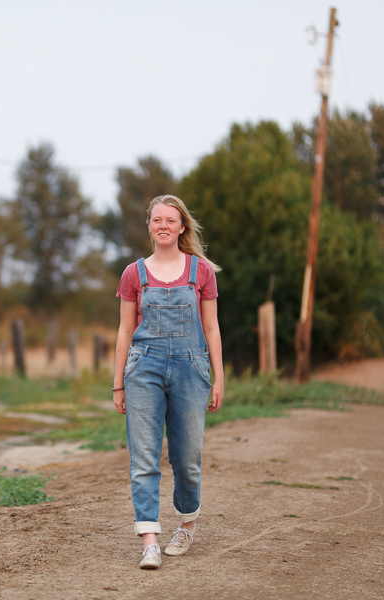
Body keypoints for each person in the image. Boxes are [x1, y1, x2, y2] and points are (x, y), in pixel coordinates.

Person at [113, 194, 224, 569]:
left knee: (186, 458)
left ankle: (187, 522)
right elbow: (125, 329)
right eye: (157, 219)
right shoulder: (134, 274)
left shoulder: (200, 272)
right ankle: (149, 540)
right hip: (143, 368)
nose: (163, 225)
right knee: (143, 457)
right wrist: (118, 383)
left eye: (170, 220)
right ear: (149, 226)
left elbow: (211, 327)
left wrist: (218, 378)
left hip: (192, 370)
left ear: (181, 227)